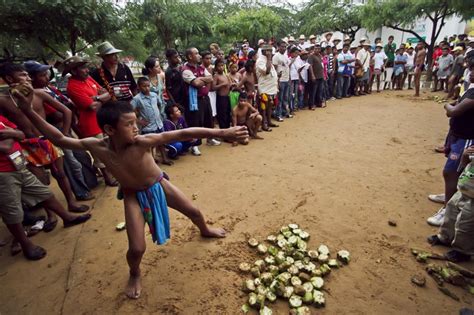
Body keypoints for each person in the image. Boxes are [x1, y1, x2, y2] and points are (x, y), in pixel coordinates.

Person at [16, 84, 249, 299]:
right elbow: (59, 138)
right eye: (129, 124)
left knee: (194, 211)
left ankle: (205, 229)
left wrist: (222, 132)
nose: (136, 128)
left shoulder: (143, 141)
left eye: (136, 122)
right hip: (132, 195)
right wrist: (28, 110)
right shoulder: (97, 146)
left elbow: (182, 134)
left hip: (159, 185)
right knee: (136, 248)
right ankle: (134, 272)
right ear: (109, 129)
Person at [0, 62, 91, 219]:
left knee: (61, 174)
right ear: (9, 78)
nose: (27, 78)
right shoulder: (3, 101)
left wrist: (62, 136)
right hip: (26, 145)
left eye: (28, 75)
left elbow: (67, 111)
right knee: (40, 181)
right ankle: (51, 215)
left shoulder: (39, 94)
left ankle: (71, 202)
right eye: (22, 75)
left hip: (47, 140)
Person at [0, 113, 91, 261]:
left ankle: (67, 217)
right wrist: (11, 135)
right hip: (3, 173)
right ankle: (26, 244)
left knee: (44, 193)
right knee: (12, 211)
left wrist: (9, 133)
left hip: (19, 166)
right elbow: (5, 146)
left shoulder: (1, 119)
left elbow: (21, 133)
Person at [24, 60, 95, 202]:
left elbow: (68, 107)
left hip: (65, 128)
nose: (46, 77)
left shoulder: (49, 88)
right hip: (56, 129)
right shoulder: (35, 95)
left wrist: (67, 128)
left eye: (46, 74)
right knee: (70, 164)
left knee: (82, 156)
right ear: (32, 78)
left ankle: (88, 183)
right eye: (42, 75)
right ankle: (80, 192)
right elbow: (58, 113)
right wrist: (64, 132)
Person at [427, 59, 474, 227]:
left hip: (466, 137)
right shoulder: (470, 87)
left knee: (453, 171)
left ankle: (449, 209)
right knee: (451, 171)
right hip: (457, 134)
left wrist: (447, 105)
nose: (471, 73)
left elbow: (454, 110)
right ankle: (449, 196)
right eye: (471, 69)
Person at [63, 56, 118, 187]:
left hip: (102, 119)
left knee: (109, 146)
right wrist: (100, 98)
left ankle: (111, 172)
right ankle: (107, 178)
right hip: (90, 124)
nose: (87, 70)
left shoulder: (88, 79)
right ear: (74, 71)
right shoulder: (72, 86)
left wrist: (96, 97)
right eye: (83, 68)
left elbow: (108, 93)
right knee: (99, 151)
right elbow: (92, 106)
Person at [427, 145, 474, 262]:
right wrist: (465, 155)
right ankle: (445, 237)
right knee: (451, 212)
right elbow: (463, 165)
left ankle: (462, 251)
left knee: (466, 224)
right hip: (463, 190)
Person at [182, 47, 220, 146]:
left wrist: (200, 78)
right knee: (195, 122)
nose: (199, 55)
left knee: (209, 119)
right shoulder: (185, 70)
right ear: (190, 56)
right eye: (197, 53)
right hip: (195, 100)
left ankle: (210, 139)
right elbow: (196, 83)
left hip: (205, 98)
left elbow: (210, 78)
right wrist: (202, 79)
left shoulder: (201, 68)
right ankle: (195, 145)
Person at [131, 77, 172, 166]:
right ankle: (151, 162)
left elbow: (159, 104)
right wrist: (139, 121)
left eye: (148, 86)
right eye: (144, 86)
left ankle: (164, 158)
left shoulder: (154, 95)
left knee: (161, 142)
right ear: (139, 87)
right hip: (148, 127)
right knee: (149, 145)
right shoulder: (137, 99)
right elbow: (130, 111)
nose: (147, 88)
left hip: (158, 124)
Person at [256, 45, 279, 131]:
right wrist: (269, 58)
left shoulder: (267, 60)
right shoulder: (260, 61)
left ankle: (269, 121)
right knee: (263, 106)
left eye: (270, 50)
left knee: (270, 105)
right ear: (264, 51)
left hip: (271, 87)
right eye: (268, 51)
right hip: (264, 87)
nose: (271, 52)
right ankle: (263, 124)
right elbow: (267, 71)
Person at [273, 41, 291, 119]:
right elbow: (274, 69)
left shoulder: (286, 56)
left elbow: (287, 67)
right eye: (282, 46)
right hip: (280, 80)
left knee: (285, 98)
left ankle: (284, 112)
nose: (284, 48)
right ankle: (278, 114)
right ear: (278, 47)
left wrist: (289, 78)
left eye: (285, 47)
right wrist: (277, 80)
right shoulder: (276, 56)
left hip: (286, 79)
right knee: (279, 98)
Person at [212, 59, 232, 129]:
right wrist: (222, 84)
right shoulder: (216, 76)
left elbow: (230, 85)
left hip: (227, 97)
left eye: (222, 65)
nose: (221, 67)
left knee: (228, 114)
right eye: (219, 66)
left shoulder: (226, 75)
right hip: (221, 98)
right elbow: (213, 87)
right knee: (222, 115)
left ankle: (228, 130)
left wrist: (232, 85)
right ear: (216, 67)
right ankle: (223, 131)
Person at [307, 43, 324, 109]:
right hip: (315, 76)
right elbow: (310, 66)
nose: (317, 50)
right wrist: (312, 75)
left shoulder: (320, 56)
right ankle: (311, 105)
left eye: (318, 49)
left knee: (319, 91)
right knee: (313, 92)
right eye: (316, 48)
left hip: (320, 76)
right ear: (314, 49)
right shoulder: (311, 56)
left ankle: (318, 103)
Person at [289, 47, 304, 111]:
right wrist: (292, 61)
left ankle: (295, 106)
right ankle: (291, 107)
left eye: (297, 53)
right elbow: (287, 67)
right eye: (295, 53)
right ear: (292, 53)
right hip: (291, 78)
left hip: (297, 77)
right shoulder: (288, 59)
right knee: (291, 93)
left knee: (296, 93)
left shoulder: (298, 59)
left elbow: (299, 68)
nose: (296, 54)